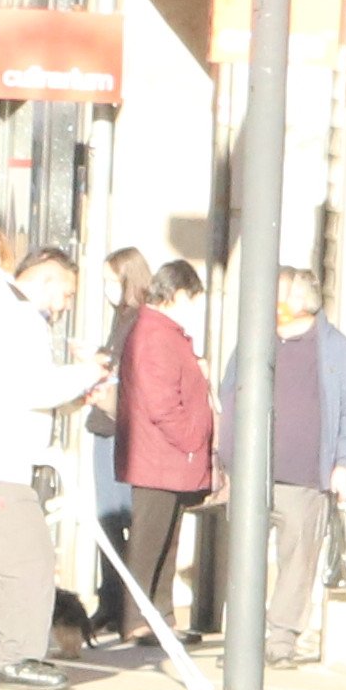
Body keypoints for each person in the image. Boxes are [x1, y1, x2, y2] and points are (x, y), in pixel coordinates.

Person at [0, 235, 98, 687]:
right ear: (46, 280)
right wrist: (92, 371)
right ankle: (19, 655)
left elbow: (18, 390)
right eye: (66, 293)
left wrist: (70, 396)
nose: (66, 305)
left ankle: (16, 653)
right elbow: (36, 388)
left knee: (5, 563)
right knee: (30, 561)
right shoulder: (18, 317)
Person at [259, 267, 346, 666]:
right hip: (255, 472)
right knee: (245, 559)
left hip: (305, 475)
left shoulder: (335, 349)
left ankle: (280, 641)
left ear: (300, 302)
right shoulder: (258, 338)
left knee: (297, 562)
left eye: (279, 294)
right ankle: (245, 643)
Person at [111, 252, 218, 622]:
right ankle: (140, 620)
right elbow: (162, 403)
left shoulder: (164, 333)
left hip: (165, 459)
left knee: (166, 543)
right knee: (149, 545)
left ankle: (159, 616)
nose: (194, 309)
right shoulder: (155, 334)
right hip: (160, 457)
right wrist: (193, 438)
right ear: (177, 294)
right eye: (193, 300)